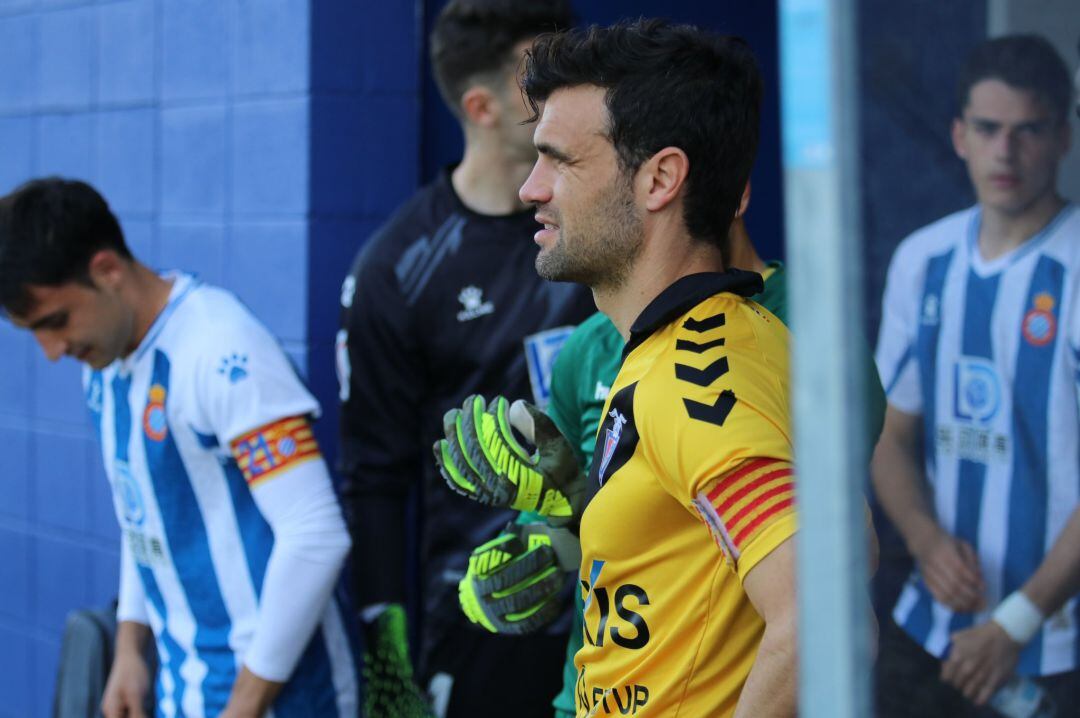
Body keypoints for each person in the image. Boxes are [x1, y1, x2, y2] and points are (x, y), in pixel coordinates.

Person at [435, 20, 804, 716]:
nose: (530, 190)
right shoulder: (672, 347)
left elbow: (822, 607)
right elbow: (850, 545)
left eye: (560, 161)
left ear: (660, 178)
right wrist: (571, 524)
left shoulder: (698, 376)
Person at [0, 178, 357, 718]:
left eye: (55, 322)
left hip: (285, 700)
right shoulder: (102, 361)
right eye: (35, 333)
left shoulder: (221, 350)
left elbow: (316, 535)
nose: (52, 351)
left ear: (106, 270)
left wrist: (241, 709)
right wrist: (128, 648)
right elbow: (143, 513)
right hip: (186, 690)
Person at [335, 1, 593, 716]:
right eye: (537, 78)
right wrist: (386, 659)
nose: (563, 88)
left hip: (632, 592)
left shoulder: (609, 218)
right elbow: (375, 480)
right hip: (487, 616)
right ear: (480, 106)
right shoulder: (398, 267)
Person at [873, 35, 1080, 716]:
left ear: (1064, 138)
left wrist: (1016, 622)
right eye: (989, 129)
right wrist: (926, 540)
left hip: (1054, 645)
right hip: (932, 628)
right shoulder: (920, 260)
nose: (1006, 152)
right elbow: (889, 437)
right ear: (959, 135)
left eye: (1029, 131)